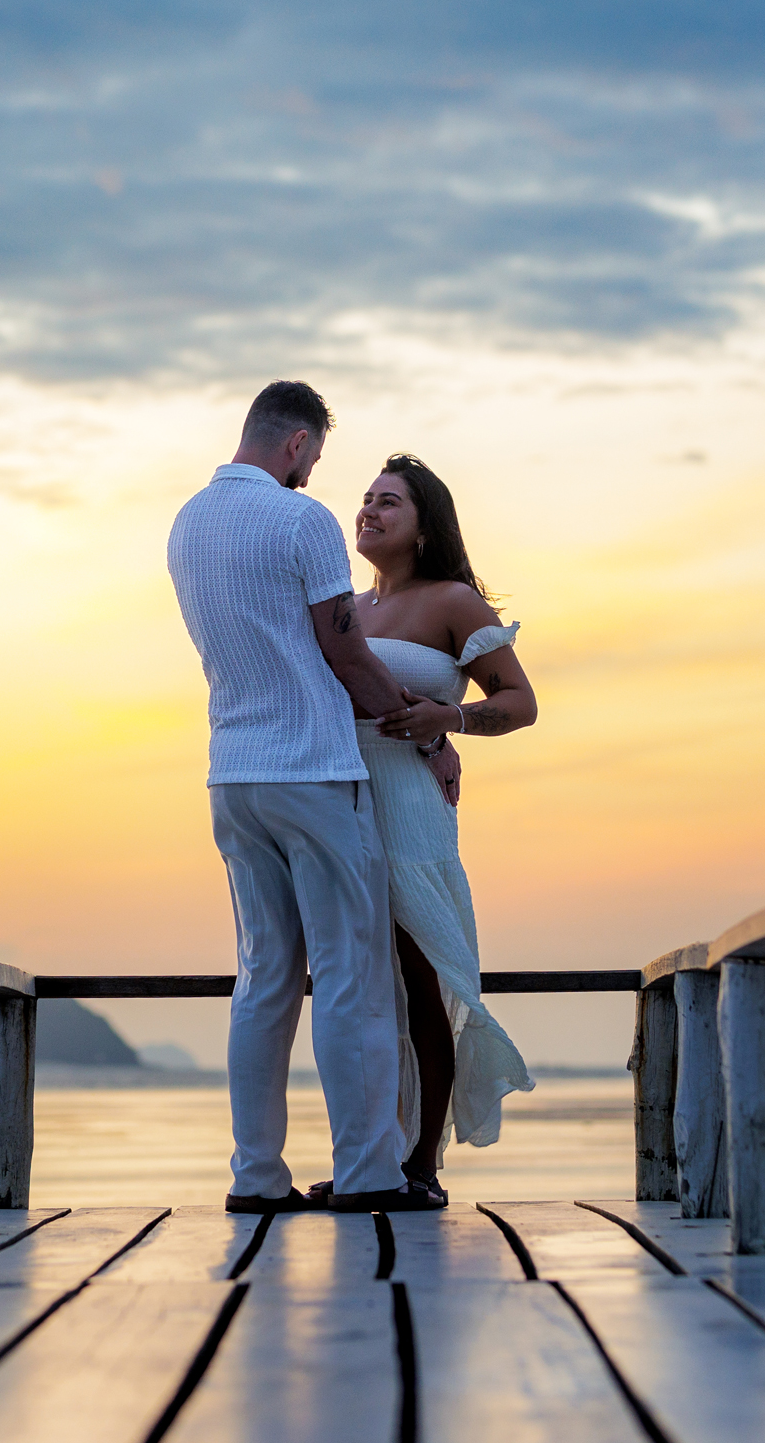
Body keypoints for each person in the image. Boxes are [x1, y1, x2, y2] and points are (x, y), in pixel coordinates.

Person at [165, 383, 451, 1215]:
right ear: (296, 444)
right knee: (351, 975)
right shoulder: (302, 522)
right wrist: (421, 732)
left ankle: (255, 1177)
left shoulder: (187, 523)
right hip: (314, 772)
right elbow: (344, 648)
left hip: (232, 774)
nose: (314, 475)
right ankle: (369, 1173)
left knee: (262, 980)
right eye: (316, 459)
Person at [346, 453, 540, 1203]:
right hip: (340, 803)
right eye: (364, 499)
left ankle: (420, 1165)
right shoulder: (348, 609)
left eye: (388, 502)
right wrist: (437, 739)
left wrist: (449, 720)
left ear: (426, 524)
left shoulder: (452, 601)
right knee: (359, 989)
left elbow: (520, 702)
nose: (368, 510)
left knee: (420, 980)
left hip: (409, 814)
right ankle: (371, 1159)